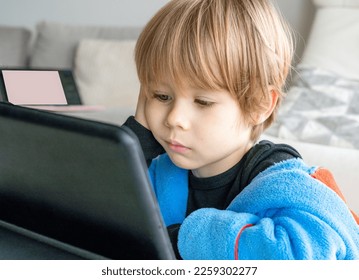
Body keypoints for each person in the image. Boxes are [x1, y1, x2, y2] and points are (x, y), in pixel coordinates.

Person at [123, 0, 359, 259]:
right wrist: (136, 140)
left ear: (259, 104)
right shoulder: (160, 173)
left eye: (203, 102)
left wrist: (182, 238)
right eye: (161, 96)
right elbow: (94, 213)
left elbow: (299, 255)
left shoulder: (283, 180)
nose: (174, 118)